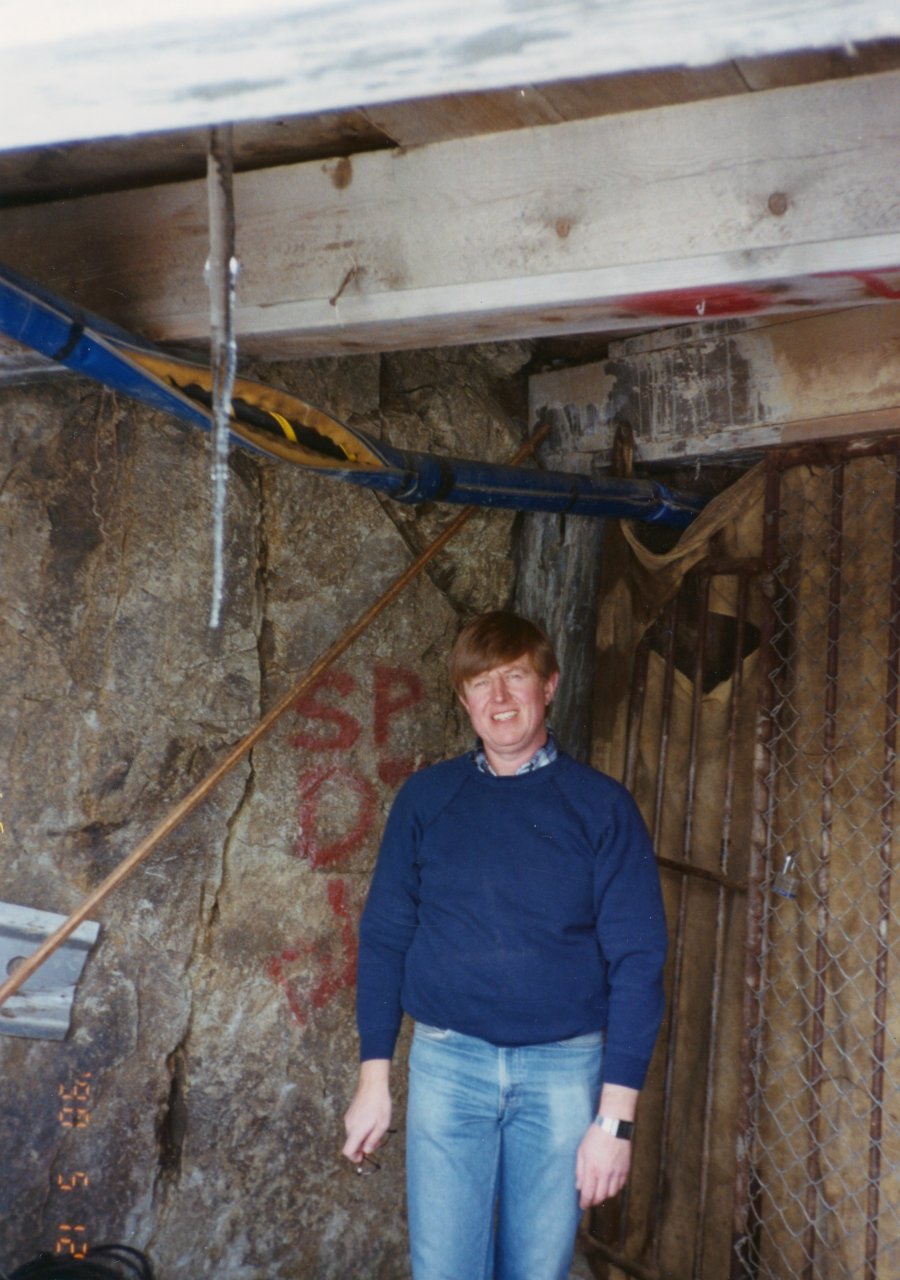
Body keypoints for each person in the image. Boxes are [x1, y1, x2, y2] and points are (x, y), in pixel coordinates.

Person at [343, 611, 667, 1280]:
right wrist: (375, 1076)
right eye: (481, 683)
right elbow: (384, 937)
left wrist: (615, 1122)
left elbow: (638, 963)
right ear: (463, 700)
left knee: (536, 1269)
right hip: (446, 1062)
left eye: (515, 678)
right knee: (444, 1270)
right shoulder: (428, 800)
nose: (499, 699)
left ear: (548, 687)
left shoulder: (601, 808)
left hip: (562, 1071)